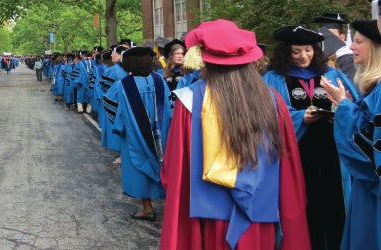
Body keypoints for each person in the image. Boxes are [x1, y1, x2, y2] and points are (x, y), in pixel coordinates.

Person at [159, 19, 310, 249]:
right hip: (259, 216)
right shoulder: (272, 100)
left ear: (205, 58)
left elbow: (173, 172)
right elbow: (288, 170)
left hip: (208, 218)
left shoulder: (189, 102)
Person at [263, 25, 356, 249]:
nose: (303, 56)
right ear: (286, 52)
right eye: (296, 51)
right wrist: (298, 117)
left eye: (308, 50)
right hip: (296, 153)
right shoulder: (273, 79)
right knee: (305, 205)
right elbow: (265, 115)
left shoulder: (332, 74)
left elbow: (353, 104)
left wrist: (339, 112)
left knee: (335, 203)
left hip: (333, 151)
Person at [321, 19, 381, 250]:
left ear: (375, 48)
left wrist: (342, 105)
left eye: (358, 41)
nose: (351, 47)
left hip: (373, 187)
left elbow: (368, 139)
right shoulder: (374, 86)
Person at [102, 47, 170, 222]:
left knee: (140, 169)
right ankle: (172, 209)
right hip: (163, 136)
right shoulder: (160, 81)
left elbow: (109, 103)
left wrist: (121, 124)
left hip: (135, 137)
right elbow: (170, 110)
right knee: (166, 167)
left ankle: (147, 208)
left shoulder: (124, 85)